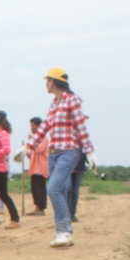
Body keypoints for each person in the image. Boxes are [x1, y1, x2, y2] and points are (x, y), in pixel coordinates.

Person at [26, 68, 97, 248]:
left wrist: (89, 152)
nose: (45, 85)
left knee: (53, 189)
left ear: (52, 81)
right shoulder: (54, 103)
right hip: (53, 154)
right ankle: (62, 233)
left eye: (47, 81)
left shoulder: (72, 100)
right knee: (61, 192)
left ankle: (65, 231)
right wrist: (27, 146)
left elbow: (80, 126)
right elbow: (44, 127)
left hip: (69, 151)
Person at [24, 117, 49, 215]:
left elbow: (39, 149)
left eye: (33, 125)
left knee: (40, 188)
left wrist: (31, 141)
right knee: (35, 188)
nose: (31, 128)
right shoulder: (34, 140)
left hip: (41, 167)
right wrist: (25, 152)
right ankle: (37, 207)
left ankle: (41, 209)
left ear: (39, 126)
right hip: (34, 167)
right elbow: (31, 154)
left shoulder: (43, 138)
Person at [69, 147, 89, 222]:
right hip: (67, 167)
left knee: (75, 192)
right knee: (68, 190)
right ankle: (66, 214)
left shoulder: (82, 142)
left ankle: (72, 214)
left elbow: (88, 150)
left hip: (79, 168)